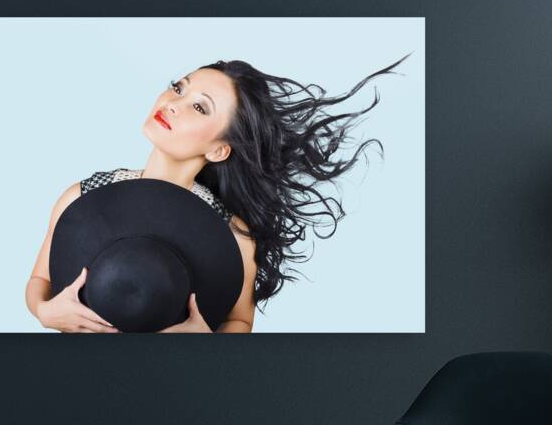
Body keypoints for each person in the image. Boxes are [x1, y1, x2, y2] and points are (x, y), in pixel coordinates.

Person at [25, 55, 410, 333]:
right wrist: (45, 311)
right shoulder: (81, 198)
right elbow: (39, 281)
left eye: (198, 107)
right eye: (179, 87)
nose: (172, 103)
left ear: (219, 150)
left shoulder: (232, 234)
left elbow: (239, 320)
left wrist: (204, 345)